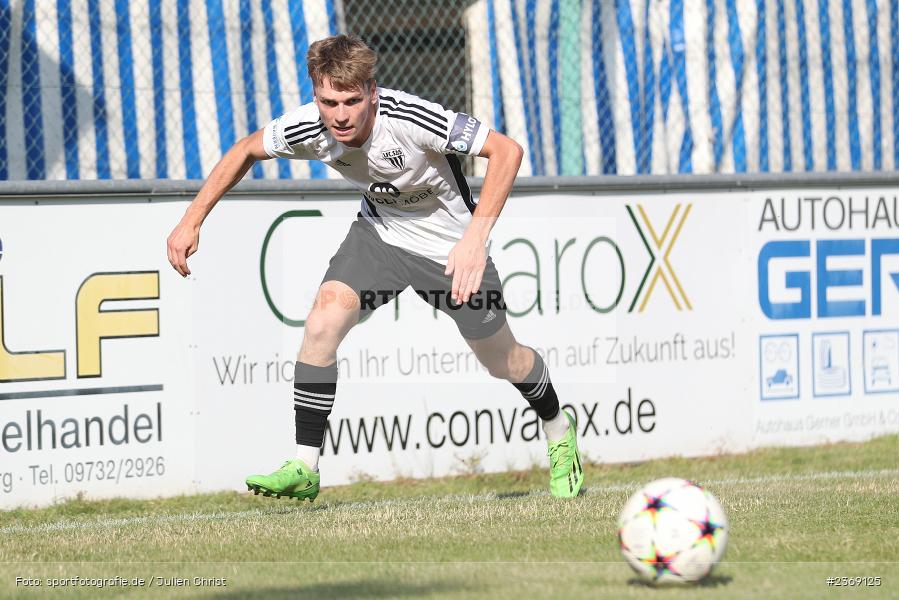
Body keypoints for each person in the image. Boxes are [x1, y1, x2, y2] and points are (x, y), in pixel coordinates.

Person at [166, 34, 583, 501]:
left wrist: (475, 240)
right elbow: (244, 150)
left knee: (503, 361)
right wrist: (191, 220)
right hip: (380, 237)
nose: (340, 115)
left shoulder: (410, 118)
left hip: (451, 250)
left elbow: (507, 151)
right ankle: (306, 464)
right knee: (323, 320)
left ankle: (556, 426)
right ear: (315, 94)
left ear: (372, 91)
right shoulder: (308, 126)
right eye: (328, 102)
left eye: (351, 101)